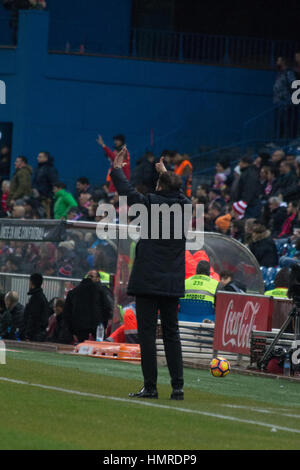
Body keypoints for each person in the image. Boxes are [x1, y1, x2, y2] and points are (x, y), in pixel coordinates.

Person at [110, 148, 191, 400]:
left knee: (147, 333)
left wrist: (116, 168)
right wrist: (166, 175)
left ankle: (151, 387)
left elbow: (126, 191)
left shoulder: (149, 203)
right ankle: (177, 388)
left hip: (147, 279)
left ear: (159, 185)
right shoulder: (186, 207)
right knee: (171, 333)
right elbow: (176, 193)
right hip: (173, 280)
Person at [63, 272, 111, 343]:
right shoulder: (100, 291)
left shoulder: (74, 292)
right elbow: (107, 308)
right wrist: (104, 324)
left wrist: (71, 330)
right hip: (97, 324)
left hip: (79, 325)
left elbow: (67, 312)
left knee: (81, 345)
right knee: (99, 345)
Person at [23, 273, 49, 341]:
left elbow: (33, 317)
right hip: (38, 333)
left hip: (34, 335)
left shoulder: (35, 298)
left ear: (31, 282)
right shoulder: (42, 297)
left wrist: (28, 334)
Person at [32, 151, 58, 218]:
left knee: (46, 216)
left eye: (40, 157)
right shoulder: (37, 169)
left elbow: (54, 184)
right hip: (36, 198)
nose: (37, 158)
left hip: (46, 199)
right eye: (38, 156)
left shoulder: (51, 169)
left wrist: (49, 197)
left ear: (46, 158)